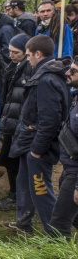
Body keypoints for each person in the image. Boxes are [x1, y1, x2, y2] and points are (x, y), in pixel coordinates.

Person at [2, 36, 68, 235]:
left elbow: (50, 120)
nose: (27, 59)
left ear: (38, 54)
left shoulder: (46, 80)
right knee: (24, 183)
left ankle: (56, 236)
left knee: (40, 190)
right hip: (28, 142)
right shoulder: (46, 74)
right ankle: (23, 222)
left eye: (29, 55)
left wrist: (37, 151)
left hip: (38, 147)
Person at [0, 34, 33, 211]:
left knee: (15, 162)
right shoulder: (14, 66)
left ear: (26, 52)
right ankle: (14, 193)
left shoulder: (29, 70)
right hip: (11, 120)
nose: (11, 55)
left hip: (19, 123)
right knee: (9, 159)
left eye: (16, 52)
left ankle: (17, 196)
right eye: (10, 51)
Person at [49, 59, 78, 239]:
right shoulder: (75, 96)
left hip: (76, 173)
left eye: (73, 71)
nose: (67, 73)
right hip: (70, 167)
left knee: (58, 225)